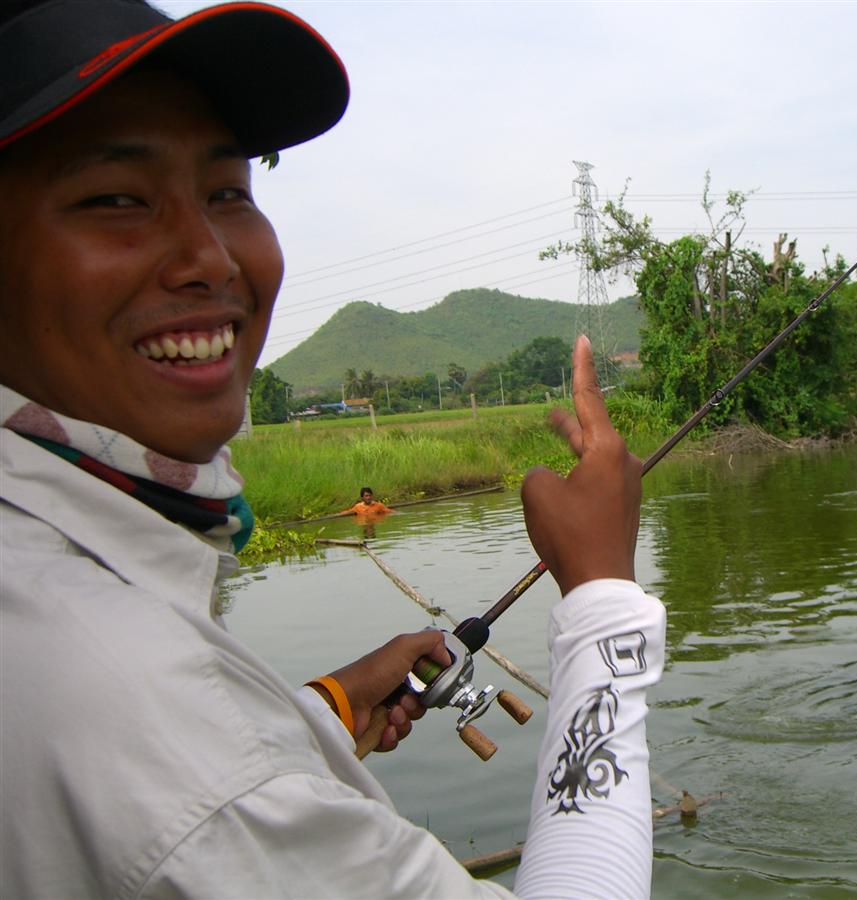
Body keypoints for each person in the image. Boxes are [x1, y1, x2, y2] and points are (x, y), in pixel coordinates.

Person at [0, 2, 664, 897]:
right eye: (116, 198)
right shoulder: (196, 777)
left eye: (229, 191)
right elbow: (200, 786)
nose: (208, 255)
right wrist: (601, 599)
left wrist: (321, 711)